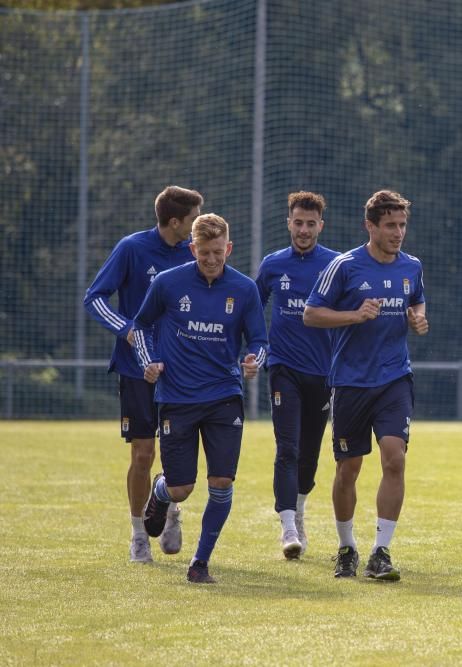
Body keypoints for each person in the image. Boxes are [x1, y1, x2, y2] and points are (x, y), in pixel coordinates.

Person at [134, 213, 268, 584]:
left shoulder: (244, 290)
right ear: (192, 249)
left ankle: (200, 562)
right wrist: (149, 361)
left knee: (222, 482)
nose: (211, 259)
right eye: (204, 252)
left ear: (229, 248)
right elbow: (141, 325)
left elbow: (259, 339)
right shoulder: (168, 283)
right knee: (182, 488)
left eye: (218, 252)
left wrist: (256, 359)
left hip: (225, 396)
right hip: (177, 397)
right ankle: (161, 494)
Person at [303, 190, 428, 582]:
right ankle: (346, 547)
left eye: (402, 225)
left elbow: (418, 300)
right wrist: (354, 316)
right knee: (348, 468)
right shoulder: (344, 266)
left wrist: (418, 318)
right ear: (370, 226)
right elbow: (310, 314)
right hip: (350, 382)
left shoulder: (412, 266)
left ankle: (380, 551)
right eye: (390, 225)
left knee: (395, 458)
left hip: (394, 378)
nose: (398, 232)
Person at [83, 185, 203, 564]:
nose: (198, 223)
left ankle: (169, 509)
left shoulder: (194, 253)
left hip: (182, 371)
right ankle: (138, 534)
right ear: (174, 221)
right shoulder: (132, 248)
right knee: (143, 453)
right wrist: (128, 329)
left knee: (177, 456)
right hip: (136, 370)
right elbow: (94, 298)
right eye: (194, 217)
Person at [256, 192, 339, 560]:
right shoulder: (273, 265)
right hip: (283, 368)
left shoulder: (337, 265)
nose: (304, 230)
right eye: (298, 222)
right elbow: (251, 309)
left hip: (323, 373)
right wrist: (253, 350)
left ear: (321, 225)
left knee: (309, 455)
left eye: (311, 223)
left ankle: (300, 508)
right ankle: (288, 526)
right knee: (286, 448)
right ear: (288, 222)